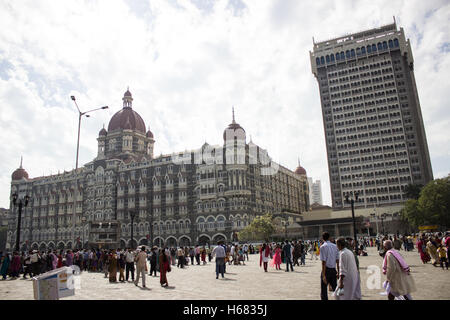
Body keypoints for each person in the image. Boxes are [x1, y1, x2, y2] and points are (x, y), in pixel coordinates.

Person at [319, 232, 339, 301]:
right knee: (335, 289)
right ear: (329, 237)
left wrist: (324, 275)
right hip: (333, 270)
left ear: (322, 238)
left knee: (324, 290)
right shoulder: (335, 246)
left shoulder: (323, 247)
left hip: (326, 270)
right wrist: (338, 271)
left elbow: (323, 262)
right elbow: (337, 260)